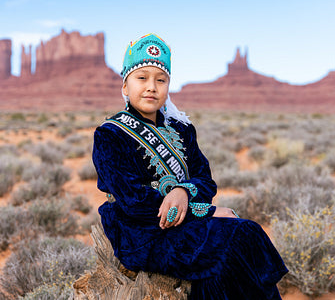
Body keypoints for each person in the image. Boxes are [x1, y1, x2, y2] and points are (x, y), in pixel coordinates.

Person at [92, 33, 287, 299]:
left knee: (237, 242)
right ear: (125, 87)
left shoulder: (182, 129)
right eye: (142, 78)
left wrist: (183, 192)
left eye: (160, 80)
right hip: (141, 232)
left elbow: (205, 180)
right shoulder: (110, 135)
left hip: (182, 225)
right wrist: (205, 211)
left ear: (168, 87)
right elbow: (133, 201)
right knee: (237, 238)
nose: (151, 87)